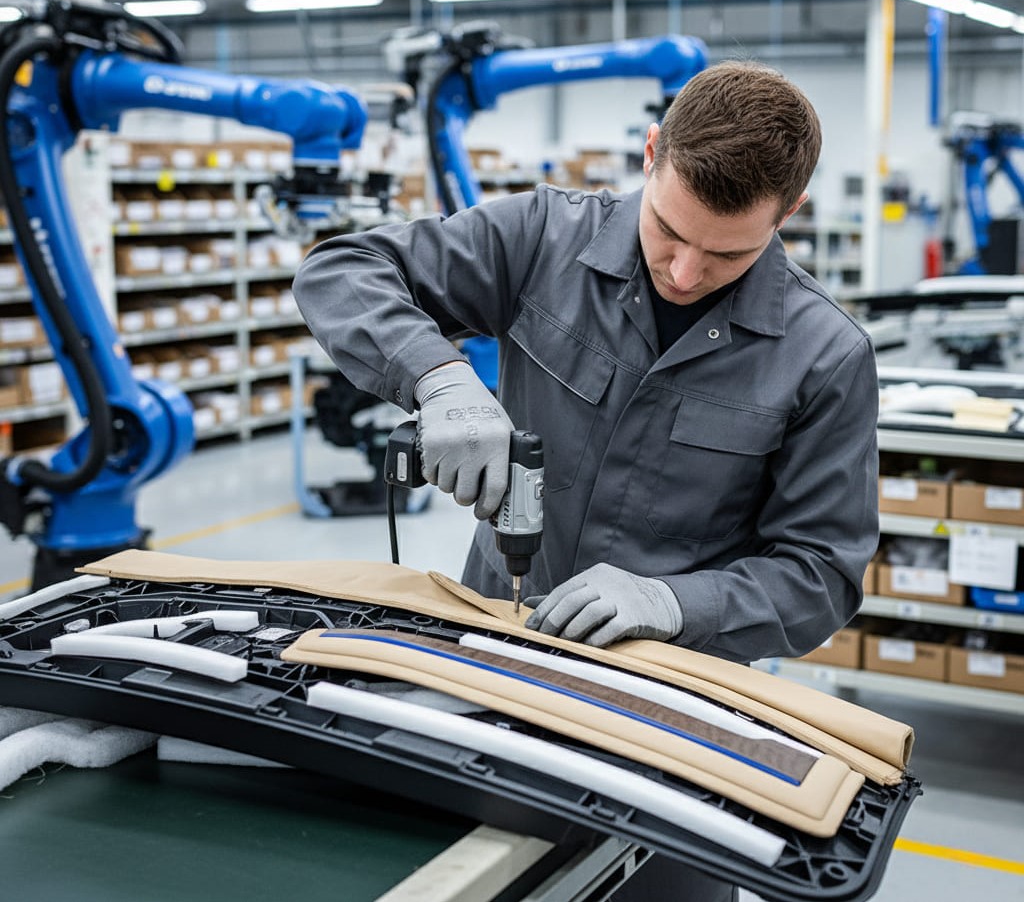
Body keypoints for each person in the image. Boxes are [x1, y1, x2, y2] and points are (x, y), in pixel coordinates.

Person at [293, 60, 879, 902]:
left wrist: (676, 602)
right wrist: (440, 377)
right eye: (669, 232)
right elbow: (341, 270)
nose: (683, 271)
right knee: (478, 879)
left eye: (726, 253)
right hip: (497, 660)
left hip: (675, 712)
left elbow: (822, 575)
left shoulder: (825, 357)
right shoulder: (542, 238)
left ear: (789, 212)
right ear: (650, 155)